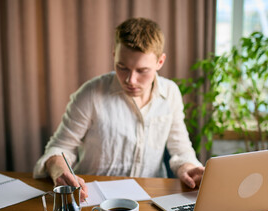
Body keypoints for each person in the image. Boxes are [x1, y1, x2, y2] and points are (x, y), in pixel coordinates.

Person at [33, 17, 205, 200]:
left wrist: (188, 168)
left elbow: (180, 149)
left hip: (150, 198)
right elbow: (59, 148)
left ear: (160, 62)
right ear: (114, 54)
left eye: (142, 71)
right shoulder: (91, 93)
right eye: (122, 67)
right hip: (92, 198)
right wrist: (60, 171)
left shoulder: (171, 92)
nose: (130, 80)